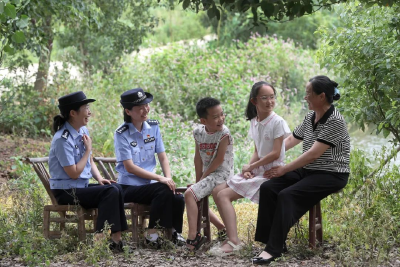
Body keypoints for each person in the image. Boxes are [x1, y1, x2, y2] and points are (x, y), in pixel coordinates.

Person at [252, 75, 350, 265]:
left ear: (321, 96)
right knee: (269, 187)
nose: (305, 97)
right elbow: (290, 141)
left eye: (308, 94)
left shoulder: (335, 120)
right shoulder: (310, 117)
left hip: (331, 174)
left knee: (287, 195)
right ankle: (273, 242)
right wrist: (265, 160)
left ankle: (273, 249)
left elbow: (313, 154)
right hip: (310, 170)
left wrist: (284, 169)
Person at [210, 81, 291, 256]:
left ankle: (234, 242)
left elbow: (276, 153)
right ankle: (228, 234)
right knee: (217, 190)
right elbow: (258, 150)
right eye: (264, 98)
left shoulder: (278, 122)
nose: (270, 101)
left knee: (224, 195)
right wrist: (249, 169)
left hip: (272, 173)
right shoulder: (255, 121)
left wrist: (252, 166)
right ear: (254, 101)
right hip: (259, 170)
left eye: (272, 97)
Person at [49, 91, 128, 253]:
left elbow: (90, 160)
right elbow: (74, 173)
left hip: (80, 187)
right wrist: (88, 150)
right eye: (86, 108)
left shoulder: (83, 131)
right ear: (73, 113)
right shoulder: (61, 140)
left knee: (116, 188)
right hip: (65, 191)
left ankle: (116, 240)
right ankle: (99, 241)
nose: (89, 112)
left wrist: (99, 178)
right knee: (109, 193)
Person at [114, 88, 185, 248]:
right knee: (163, 189)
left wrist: (168, 178)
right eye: (140, 107)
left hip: (150, 187)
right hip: (129, 187)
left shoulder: (153, 127)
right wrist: (161, 179)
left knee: (177, 196)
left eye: (146, 105)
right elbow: (130, 167)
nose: (145, 109)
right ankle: (151, 234)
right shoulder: (121, 134)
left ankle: (174, 233)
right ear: (128, 111)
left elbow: (162, 157)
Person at [184, 97, 234, 250]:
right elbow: (198, 157)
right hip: (208, 174)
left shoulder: (224, 133)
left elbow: (219, 160)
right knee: (193, 194)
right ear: (203, 121)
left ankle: (194, 237)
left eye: (222, 114)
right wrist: (198, 178)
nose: (221, 119)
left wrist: (203, 178)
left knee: (189, 194)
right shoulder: (198, 132)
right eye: (215, 117)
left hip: (222, 174)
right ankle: (221, 228)